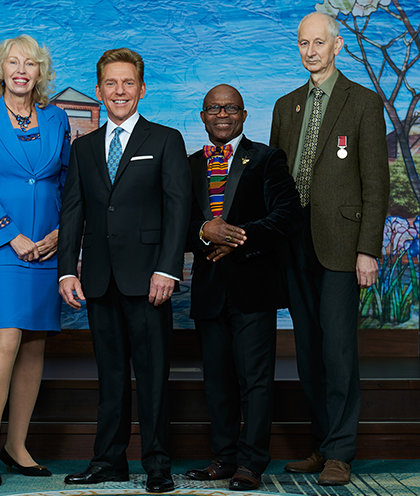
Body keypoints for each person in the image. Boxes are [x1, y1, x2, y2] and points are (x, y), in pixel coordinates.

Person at [58, 47, 191, 493]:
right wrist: (66, 270)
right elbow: (72, 211)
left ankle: (158, 465)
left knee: (153, 377)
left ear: (142, 89)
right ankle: (108, 462)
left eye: (128, 83)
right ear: (98, 90)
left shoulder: (165, 139)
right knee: (110, 376)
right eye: (111, 83)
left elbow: (178, 209)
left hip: (150, 279)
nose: (119, 91)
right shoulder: (84, 148)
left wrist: (168, 269)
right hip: (98, 279)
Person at [270, 12, 389, 485]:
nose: (311, 51)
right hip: (294, 244)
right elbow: (275, 182)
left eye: (320, 42)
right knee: (308, 352)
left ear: (337, 46)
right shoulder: (286, 106)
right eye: (304, 43)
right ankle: (321, 444)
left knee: (338, 351)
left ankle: (340, 452)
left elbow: (375, 183)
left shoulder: (363, 102)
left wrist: (368, 250)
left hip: (342, 245)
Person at [0, 34, 71, 488]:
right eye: (13, 63)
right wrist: (11, 235)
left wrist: (61, 233)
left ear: (41, 72)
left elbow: (67, 182)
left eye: (30, 63)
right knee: (5, 337)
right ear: (0, 70)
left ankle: (16, 445)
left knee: (34, 343)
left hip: (47, 245)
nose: (21, 70)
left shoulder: (58, 117)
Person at [184, 85, 301, 491]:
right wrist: (204, 230)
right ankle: (223, 458)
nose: (223, 114)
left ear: (244, 115)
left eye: (231, 108)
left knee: (255, 380)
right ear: (203, 116)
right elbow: (176, 222)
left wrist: (235, 238)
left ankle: (250, 463)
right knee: (217, 380)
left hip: (253, 287)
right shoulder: (190, 165)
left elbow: (287, 215)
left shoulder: (267, 159)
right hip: (209, 289)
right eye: (214, 108)